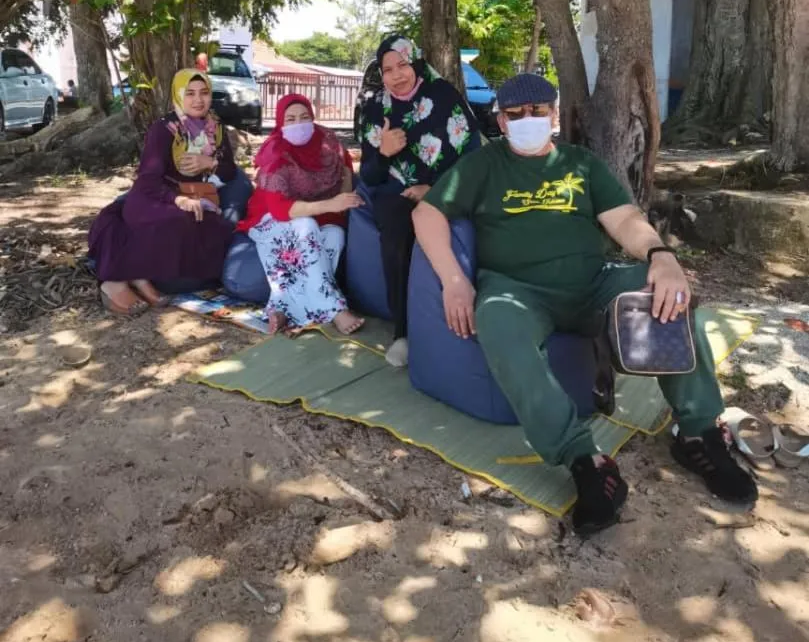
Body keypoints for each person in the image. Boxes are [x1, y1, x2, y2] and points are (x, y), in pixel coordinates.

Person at [412, 72, 757, 536]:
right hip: (518, 291)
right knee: (496, 320)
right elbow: (427, 213)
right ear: (499, 120)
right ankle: (585, 459)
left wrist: (662, 255)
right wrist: (453, 279)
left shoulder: (580, 164)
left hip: (592, 283)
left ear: (555, 114)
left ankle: (697, 432)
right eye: (515, 115)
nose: (528, 120)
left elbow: (624, 220)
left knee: (665, 291)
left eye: (539, 111)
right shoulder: (483, 165)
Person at [88, 69, 252, 315]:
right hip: (153, 197)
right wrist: (178, 199)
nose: (198, 100)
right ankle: (128, 278)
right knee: (178, 219)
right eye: (190, 94)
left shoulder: (216, 129)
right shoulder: (163, 129)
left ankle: (139, 276)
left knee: (212, 227)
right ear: (179, 96)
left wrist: (209, 163)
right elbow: (148, 180)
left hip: (196, 197)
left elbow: (229, 172)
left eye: (204, 93)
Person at [359, 35, 480, 367]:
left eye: (402, 65)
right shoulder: (376, 108)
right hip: (395, 192)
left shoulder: (444, 97)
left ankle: (470, 318)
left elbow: (472, 155)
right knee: (397, 227)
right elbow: (369, 176)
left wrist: (435, 189)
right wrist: (383, 152)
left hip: (447, 188)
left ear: (415, 63)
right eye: (387, 69)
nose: (397, 75)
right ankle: (403, 332)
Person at [224, 93, 365, 336]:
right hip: (270, 220)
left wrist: (342, 200)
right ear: (280, 122)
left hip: (320, 216)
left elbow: (345, 170)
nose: (298, 124)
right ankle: (334, 308)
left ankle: (282, 307)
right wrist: (331, 203)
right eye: (290, 119)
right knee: (305, 227)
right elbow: (280, 209)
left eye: (304, 117)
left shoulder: (328, 142)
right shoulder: (275, 153)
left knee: (334, 236)